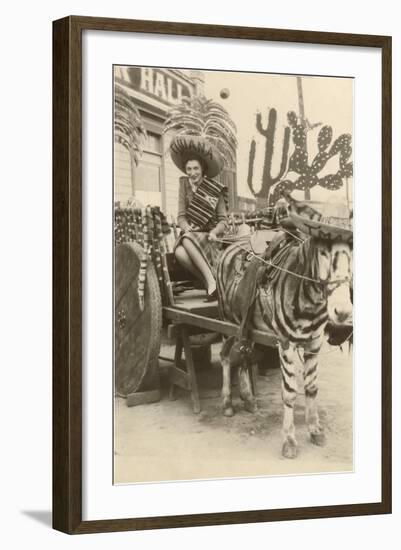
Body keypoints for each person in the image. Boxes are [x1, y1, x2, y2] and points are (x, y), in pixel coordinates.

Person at [169, 135, 229, 301]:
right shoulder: (184, 185)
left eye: (195, 168)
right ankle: (210, 283)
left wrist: (215, 232)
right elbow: (181, 216)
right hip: (192, 234)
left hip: (211, 237)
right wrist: (185, 226)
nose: (192, 173)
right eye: (189, 169)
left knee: (186, 241)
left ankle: (211, 283)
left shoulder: (213, 189)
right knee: (180, 251)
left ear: (202, 169)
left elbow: (223, 220)